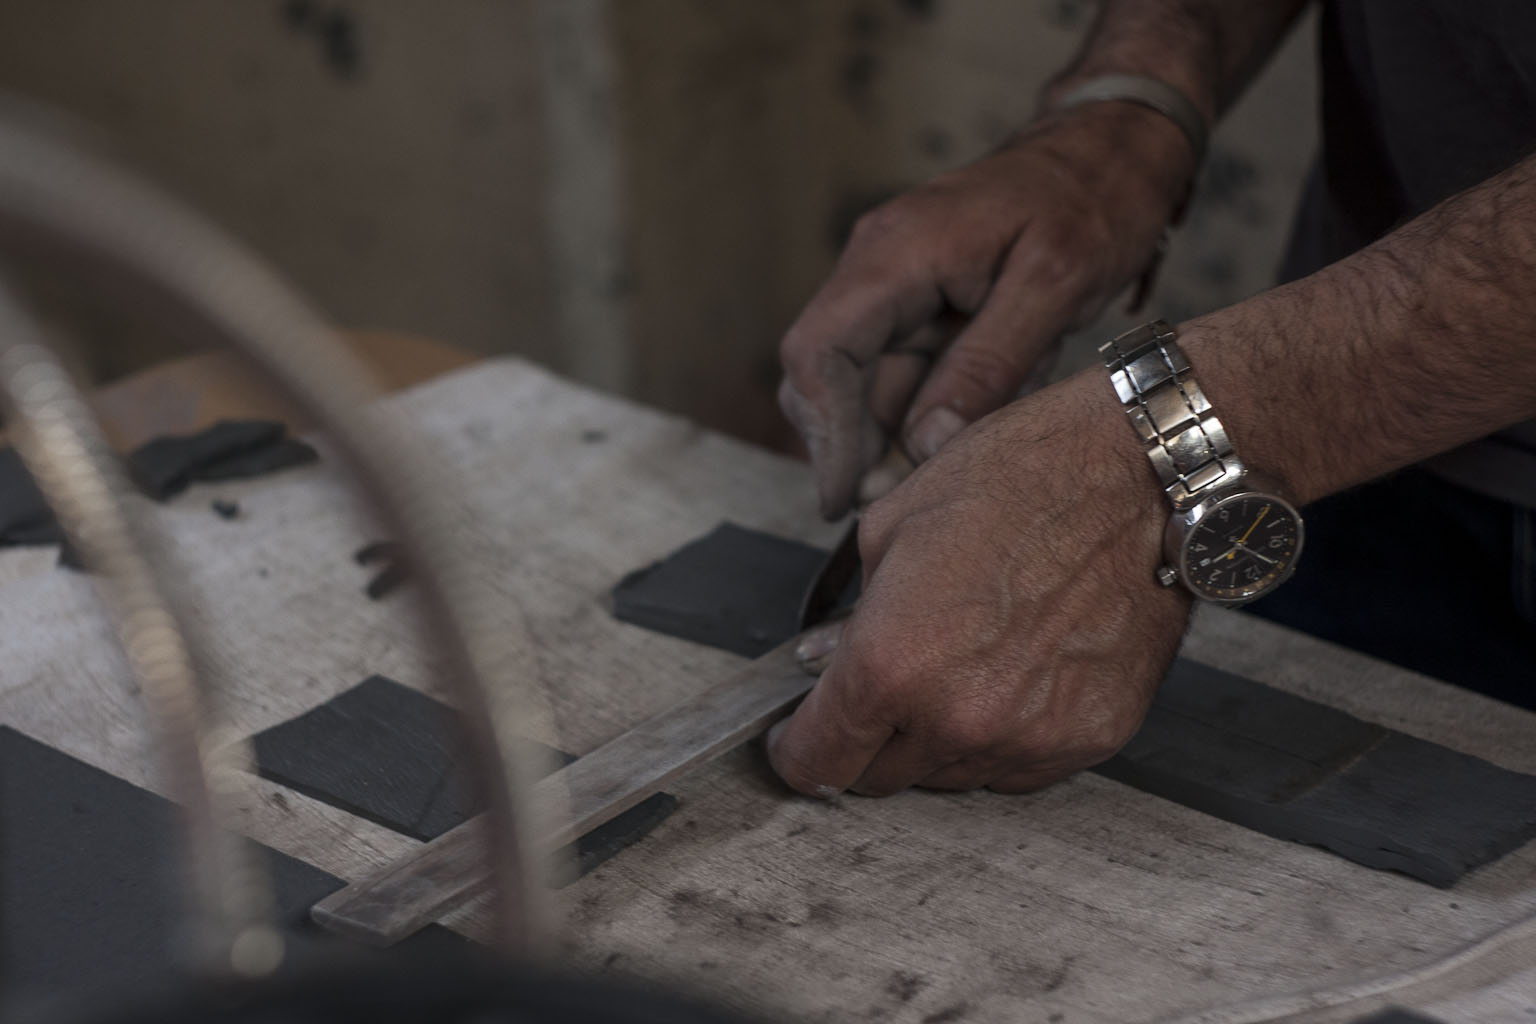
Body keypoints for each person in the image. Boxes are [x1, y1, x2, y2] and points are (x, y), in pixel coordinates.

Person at [768, 0, 1536, 801]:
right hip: (1362, 457)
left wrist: (1161, 459)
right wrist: (1130, 105)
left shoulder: (1220, 464)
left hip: (1306, 428)